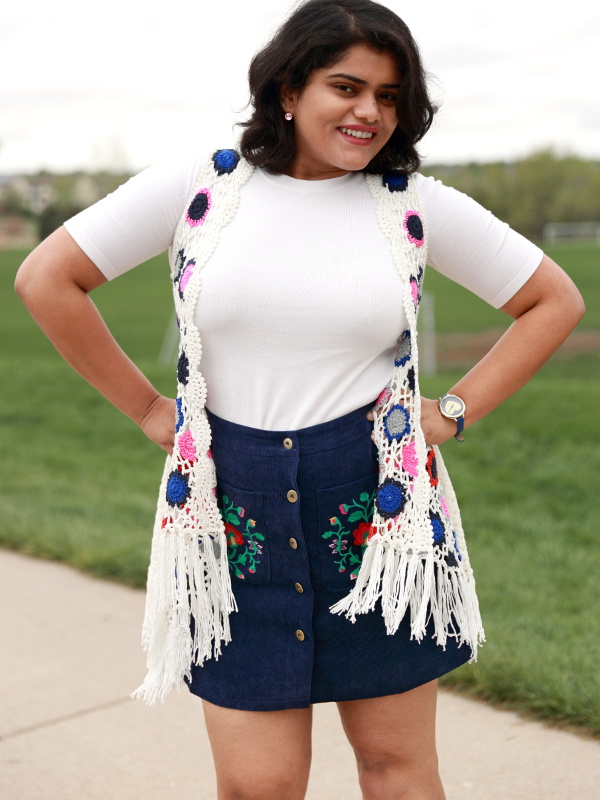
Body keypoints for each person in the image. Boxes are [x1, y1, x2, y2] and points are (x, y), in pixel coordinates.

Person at [15, 1, 584, 798]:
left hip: (380, 521)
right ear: (288, 88)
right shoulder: (203, 185)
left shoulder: (408, 203)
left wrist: (451, 412)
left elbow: (554, 301)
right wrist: (149, 409)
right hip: (228, 515)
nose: (370, 112)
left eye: (389, 96)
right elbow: (47, 279)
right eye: (346, 87)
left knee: (396, 770)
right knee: (259, 786)